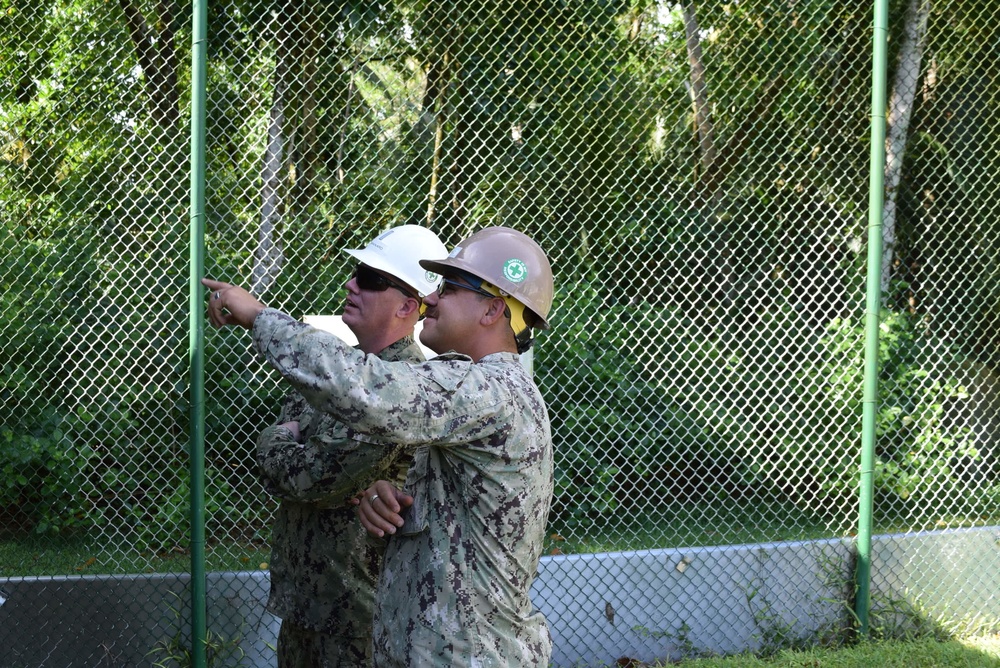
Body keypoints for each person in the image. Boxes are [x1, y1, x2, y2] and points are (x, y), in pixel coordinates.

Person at [202, 226, 555, 667]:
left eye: (448, 288)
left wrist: (259, 317)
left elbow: (364, 387)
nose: (431, 300)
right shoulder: (485, 395)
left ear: (492, 310)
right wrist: (391, 499)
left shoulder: (487, 390)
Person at [250, 225, 447, 667]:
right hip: (307, 605)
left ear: (408, 306)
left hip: (359, 617)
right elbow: (298, 464)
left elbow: (312, 479)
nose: (351, 285)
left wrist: (276, 439)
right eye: (356, 273)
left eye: (371, 279)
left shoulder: (406, 391)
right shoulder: (342, 375)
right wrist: (289, 446)